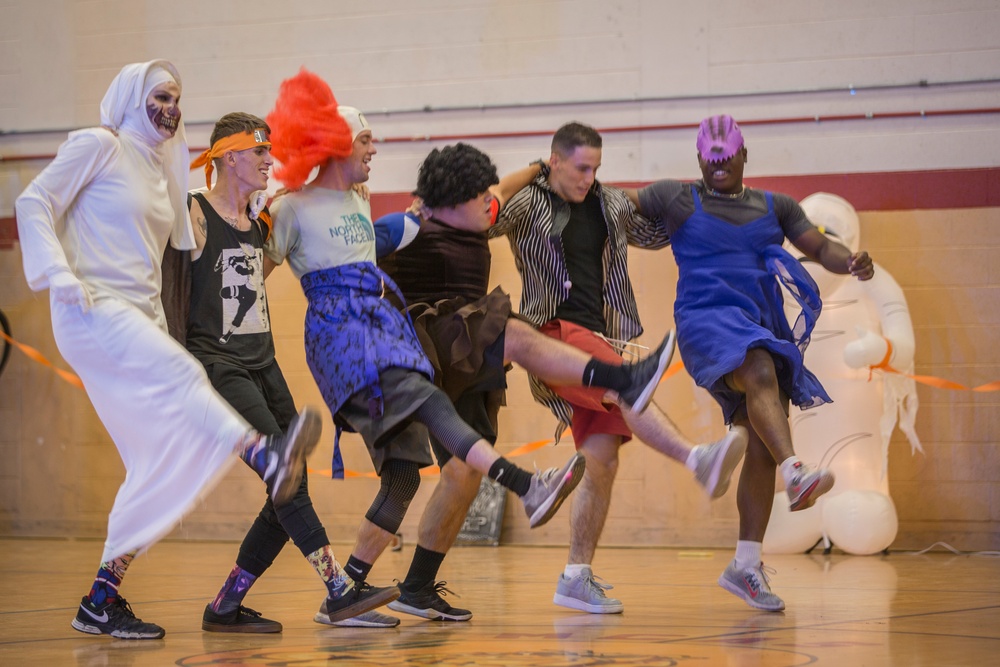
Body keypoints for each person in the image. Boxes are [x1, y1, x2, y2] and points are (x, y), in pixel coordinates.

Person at [261, 68, 608, 626]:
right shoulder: (289, 208)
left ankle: (344, 594)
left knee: (402, 476)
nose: (375, 147)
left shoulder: (361, 205)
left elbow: (483, 204)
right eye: (365, 139)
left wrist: (535, 171)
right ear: (331, 145)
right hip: (343, 337)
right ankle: (526, 485)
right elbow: (253, 270)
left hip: (377, 329)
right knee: (429, 398)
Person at [14, 61, 321, 640]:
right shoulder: (98, 146)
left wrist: (260, 202)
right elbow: (34, 204)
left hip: (139, 320)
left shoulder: (161, 171)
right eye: (161, 96)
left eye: (178, 98)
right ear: (132, 96)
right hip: (89, 307)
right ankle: (266, 457)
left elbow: (190, 246)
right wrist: (55, 273)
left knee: (156, 464)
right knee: (189, 377)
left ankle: (100, 600)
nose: (171, 108)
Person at [374, 143, 684, 622]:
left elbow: (503, 189)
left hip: (468, 359)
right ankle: (622, 378)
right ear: (450, 200)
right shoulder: (405, 227)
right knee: (510, 325)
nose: (490, 202)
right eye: (478, 195)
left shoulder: (476, 214)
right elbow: (347, 263)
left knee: (465, 472)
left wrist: (542, 167)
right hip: (428, 355)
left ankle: (415, 587)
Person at [490, 122, 750, 615]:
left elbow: (657, 230)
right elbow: (486, 216)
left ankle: (574, 576)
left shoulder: (609, 203)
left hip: (603, 335)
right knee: (628, 387)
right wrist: (531, 172)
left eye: (597, 168)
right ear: (556, 160)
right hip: (553, 333)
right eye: (580, 168)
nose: (589, 177)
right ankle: (698, 459)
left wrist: (687, 197)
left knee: (603, 461)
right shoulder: (529, 201)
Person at [626, 114, 875, 611]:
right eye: (710, 159)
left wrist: (848, 261)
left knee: (759, 442)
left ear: (744, 155)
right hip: (706, 320)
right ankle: (797, 469)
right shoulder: (674, 196)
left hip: (761, 322)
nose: (719, 166)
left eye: (727, 158)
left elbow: (821, 245)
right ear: (700, 159)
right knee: (759, 370)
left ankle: (744, 565)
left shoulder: (774, 206)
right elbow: (612, 201)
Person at [167, 112, 399, 632]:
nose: (271, 159)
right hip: (220, 365)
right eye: (260, 152)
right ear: (230, 156)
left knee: (290, 482)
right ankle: (338, 589)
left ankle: (226, 605)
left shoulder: (263, 218)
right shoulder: (193, 213)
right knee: (283, 476)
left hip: (264, 362)